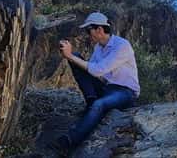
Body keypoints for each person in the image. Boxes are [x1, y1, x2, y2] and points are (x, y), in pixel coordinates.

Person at [51, 11, 140, 151]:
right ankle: (91, 102)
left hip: (125, 92)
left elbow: (98, 70)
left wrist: (71, 57)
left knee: (100, 104)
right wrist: (70, 56)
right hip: (107, 87)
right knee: (76, 58)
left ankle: (69, 141)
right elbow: (90, 69)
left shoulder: (122, 45)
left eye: (88, 30)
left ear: (99, 29)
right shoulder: (98, 47)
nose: (88, 34)